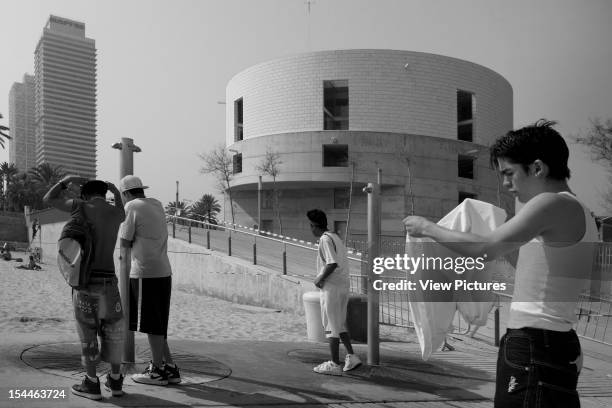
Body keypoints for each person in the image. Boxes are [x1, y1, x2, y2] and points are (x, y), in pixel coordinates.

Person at [403, 120, 598, 407]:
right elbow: (536, 271)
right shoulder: (579, 210)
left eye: (509, 173)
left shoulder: (551, 203)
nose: (506, 185)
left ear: (537, 168)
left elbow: (484, 249)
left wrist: (426, 227)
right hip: (558, 342)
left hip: (534, 346)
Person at [44, 175, 126, 400]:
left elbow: (48, 198)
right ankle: (116, 381)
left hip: (87, 283)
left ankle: (91, 384)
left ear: (85, 194)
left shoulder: (79, 206)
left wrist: (66, 180)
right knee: (113, 332)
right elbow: (122, 208)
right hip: (110, 283)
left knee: (88, 333)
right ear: (104, 193)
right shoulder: (116, 213)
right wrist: (116, 192)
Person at [119, 175, 181, 385]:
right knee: (159, 322)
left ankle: (156, 371)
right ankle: (169, 366)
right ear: (141, 190)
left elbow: (125, 241)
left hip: (146, 273)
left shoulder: (131, 207)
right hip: (164, 271)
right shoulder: (156, 204)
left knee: (151, 324)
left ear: (126, 193)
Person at [307, 209, 361, 375]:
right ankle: (352, 356)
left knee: (331, 326)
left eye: (310, 226)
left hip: (332, 287)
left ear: (314, 226)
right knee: (339, 323)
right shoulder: (336, 237)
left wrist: (319, 279)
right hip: (343, 286)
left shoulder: (325, 239)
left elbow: (332, 263)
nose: (311, 229)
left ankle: (334, 364)